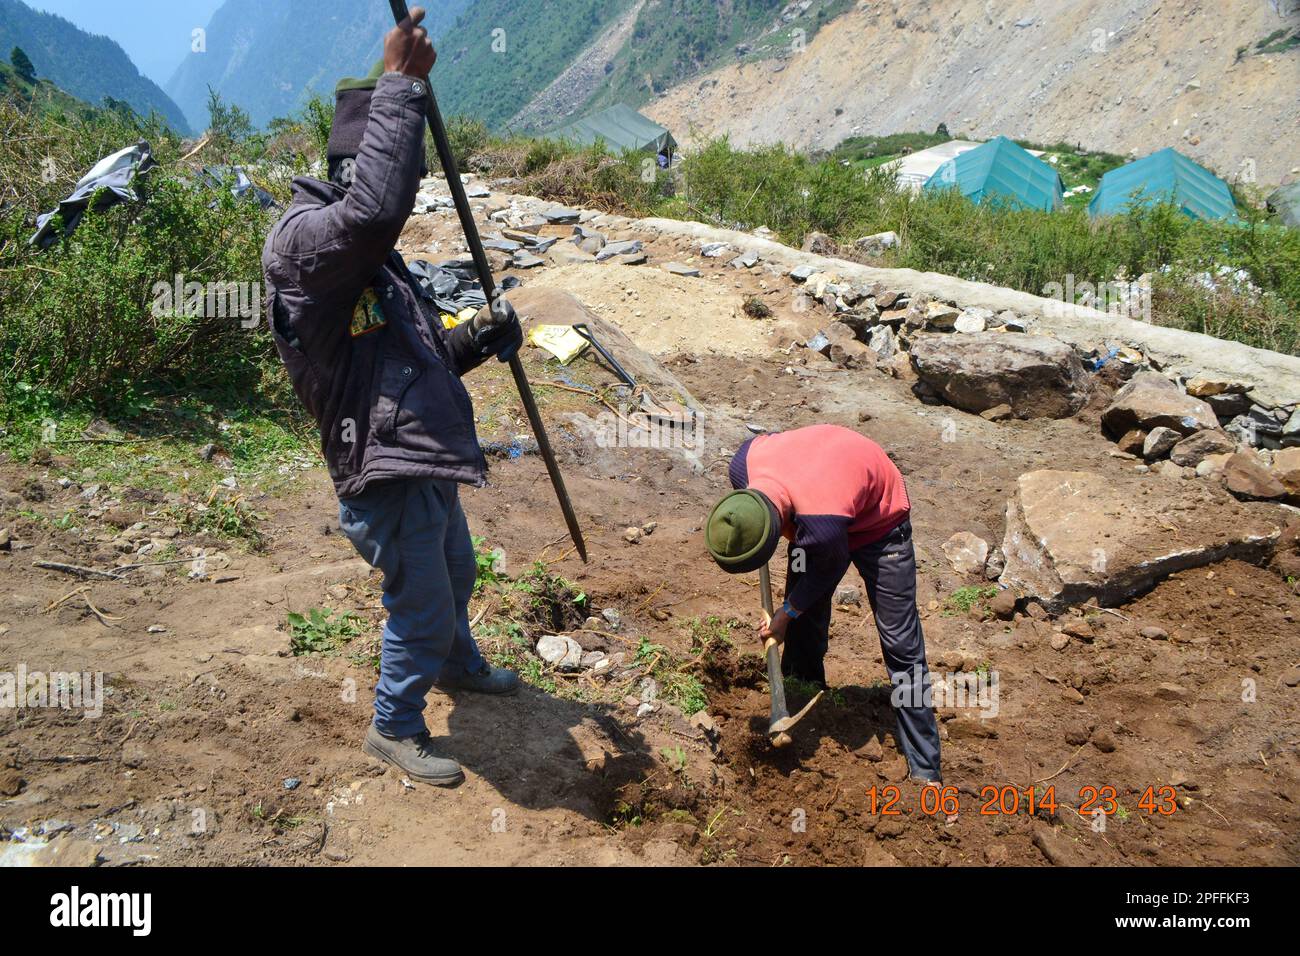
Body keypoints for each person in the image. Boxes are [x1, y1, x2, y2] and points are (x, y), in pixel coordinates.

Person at [261, 8, 522, 787]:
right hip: (383, 470)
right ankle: (394, 725)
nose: (402, 187)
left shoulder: (377, 269)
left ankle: (456, 665)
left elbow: (419, 361)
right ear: (358, 160)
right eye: (393, 165)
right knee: (422, 605)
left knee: (457, 576)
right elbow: (375, 210)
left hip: (420, 456)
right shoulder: (303, 247)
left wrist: (477, 338)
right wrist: (403, 82)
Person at [703, 424, 943, 785]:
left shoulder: (821, 526)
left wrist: (786, 613)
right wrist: (792, 609)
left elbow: (829, 566)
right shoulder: (743, 465)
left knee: (900, 644)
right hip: (820, 496)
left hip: (880, 523)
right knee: (801, 604)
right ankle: (802, 684)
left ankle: (925, 767)